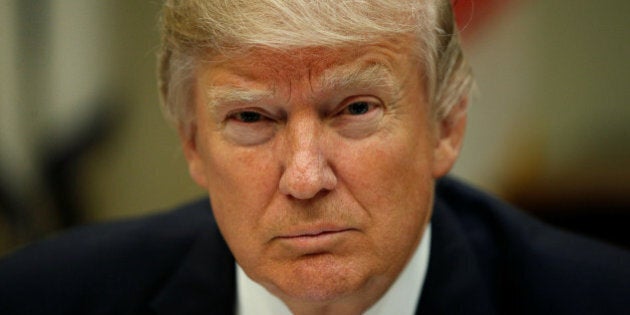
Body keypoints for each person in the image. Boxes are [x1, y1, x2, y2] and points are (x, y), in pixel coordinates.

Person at [1, 0, 629, 314]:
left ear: (446, 125)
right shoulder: (42, 298)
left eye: (355, 110)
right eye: (251, 118)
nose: (305, 178)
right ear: (192, 143)